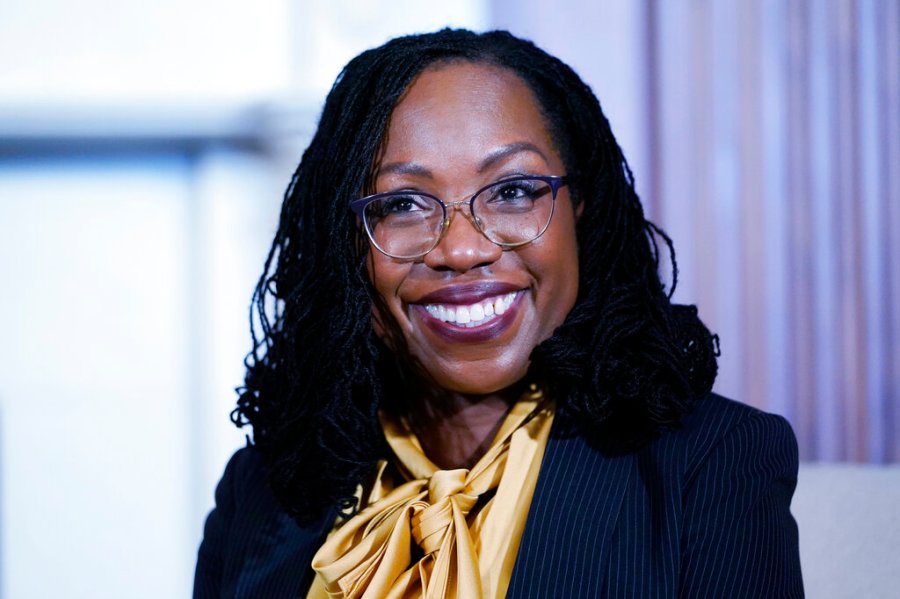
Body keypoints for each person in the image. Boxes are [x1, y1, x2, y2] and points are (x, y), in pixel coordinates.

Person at [193, 29, 803, 598]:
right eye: (404, 203)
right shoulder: (261, 491)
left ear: (580, 211)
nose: (462, 249)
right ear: (346, 243)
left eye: (513, 191)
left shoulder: (717, 464)